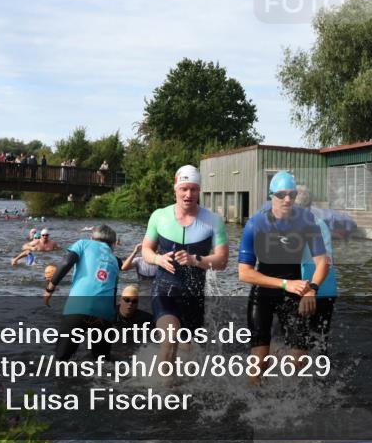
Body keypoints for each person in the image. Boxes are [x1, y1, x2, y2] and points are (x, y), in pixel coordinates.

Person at [238, 171, 329, 385]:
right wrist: (285, 284)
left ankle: (289, 401)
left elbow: (322, 262)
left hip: (296, 292)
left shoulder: (307, 223)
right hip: (264, 294)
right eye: (281, 195)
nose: (287, 199)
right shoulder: (256, 224)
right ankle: (256, 400)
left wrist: (312, 289)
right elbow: (244, 273)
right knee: (258, 364)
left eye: (292, 194)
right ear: (271, 196)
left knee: (299, 361)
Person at [140, 165, 228, 365]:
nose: (189, 194)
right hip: (165, 289)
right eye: (184, 189)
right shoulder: (159, 216)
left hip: (193, 295)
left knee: (187, 355)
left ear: (199, 190)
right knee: (170, 340)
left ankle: (179, 392)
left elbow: (222, 261)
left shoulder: (213, 221)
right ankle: (163, 392)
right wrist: (157, 259)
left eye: (194, 189)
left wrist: (196, 260)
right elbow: (146, 250)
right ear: (176, 188)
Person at [43, 224, 122, 360]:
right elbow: (113, 289)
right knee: (102, 362)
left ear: (91, 237)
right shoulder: (116, 260)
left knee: (61, 359)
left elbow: (66, 262)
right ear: (114, 244)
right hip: (104, 313)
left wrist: (50, 288)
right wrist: (111, 318)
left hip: (78, 306)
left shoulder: (83, 244)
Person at [294, 185, 338, 355]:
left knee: (296, 338)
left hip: (310, 288)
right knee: (319, 340)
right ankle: (321, 378)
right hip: (326, 290)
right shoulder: (320, 224)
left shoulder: (305, 225)